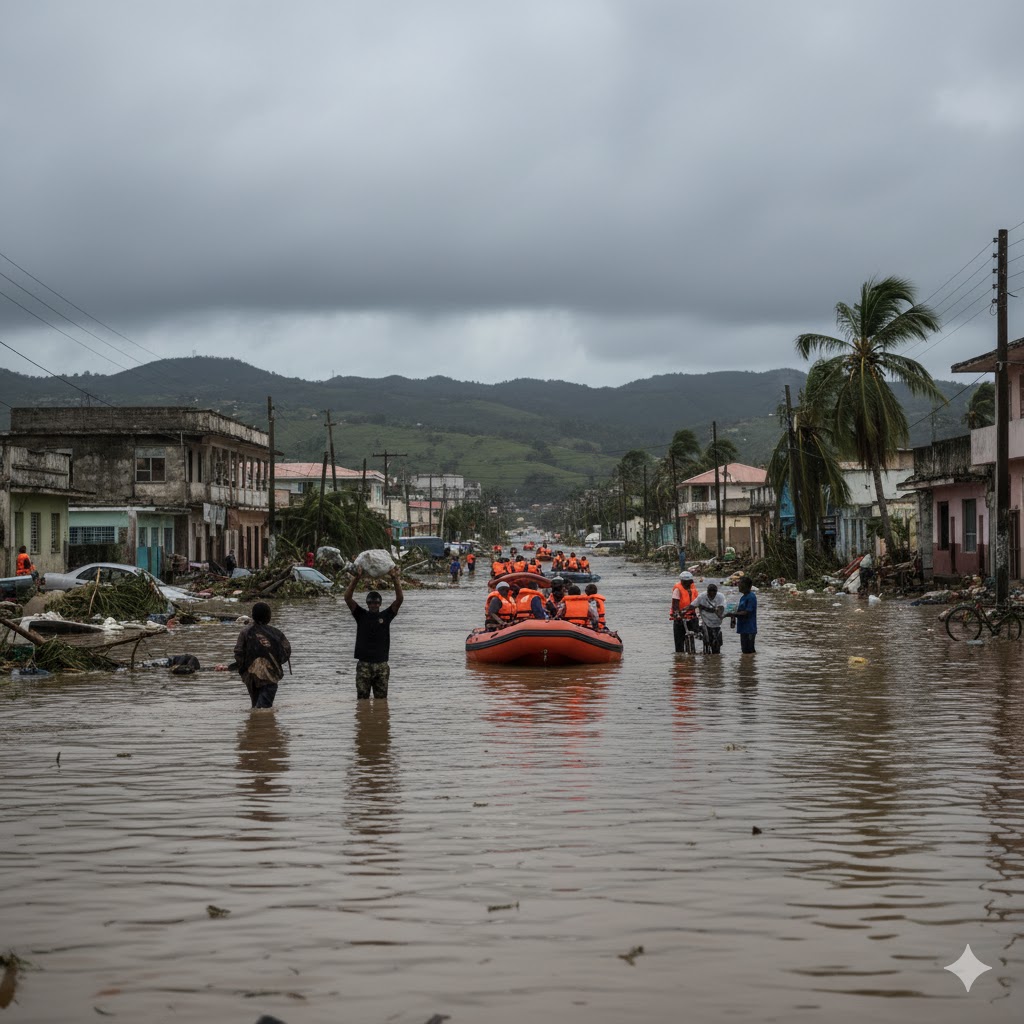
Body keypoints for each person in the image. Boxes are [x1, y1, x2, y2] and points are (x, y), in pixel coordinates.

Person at [344, 567, 404, 699]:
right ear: (367, 603)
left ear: (380, 604)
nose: (373, 605)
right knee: (362, 700)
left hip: (381, 665)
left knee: (382, 702)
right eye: (370, 602)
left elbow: (399, 599)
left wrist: (395, 578)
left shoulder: (386, 616)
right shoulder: (360, 615)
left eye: (376, 603)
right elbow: (347, 598)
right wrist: (356, 579)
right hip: (364, 664)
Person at [234, 602, 291, 708]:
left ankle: (254, 723)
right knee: (263, 709)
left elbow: (238, 653)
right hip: (270, 677)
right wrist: (274, 663)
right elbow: (286, 651)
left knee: (255, 705)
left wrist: (244, 670)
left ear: (253, 616)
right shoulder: (275, 633)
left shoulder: (245, 632)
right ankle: (261, 723)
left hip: (251, 677)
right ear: (268, 617)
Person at [693, 582, 726, 654]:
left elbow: (721, 609)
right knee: (706, 637)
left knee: (716, 639)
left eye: (713, 594)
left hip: (716, 622)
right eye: (710, 593)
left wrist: (718, 613)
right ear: (707, 592)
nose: (711, 596)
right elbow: (693, 605)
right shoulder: (702, 596)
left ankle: (715, 654)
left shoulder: (720, 597)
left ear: (716, 593)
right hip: (705, 621)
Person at [671, 570, 699, 653]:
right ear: (682, 581)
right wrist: (677, 614)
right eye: (685, 582)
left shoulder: (693, 588)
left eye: (689, 582)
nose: (688, 583)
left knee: (696, 633)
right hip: (680, 616)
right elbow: (675, 604)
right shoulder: (677, 589)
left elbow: (698, 601)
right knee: (679, 640)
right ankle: (680, 657)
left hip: (692, 615)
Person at [729, 576, 758, 654]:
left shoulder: (751, 597)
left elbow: (747, 612)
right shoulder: (743, 597)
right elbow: (739, 611)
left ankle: (749, 665)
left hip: (749, 628)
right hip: (743, 628)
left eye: (740, 584)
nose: (738, 585)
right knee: (745, 651)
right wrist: (732, 617)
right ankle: (746, 665)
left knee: (749, 651)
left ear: (746, 585)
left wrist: (733, 614)